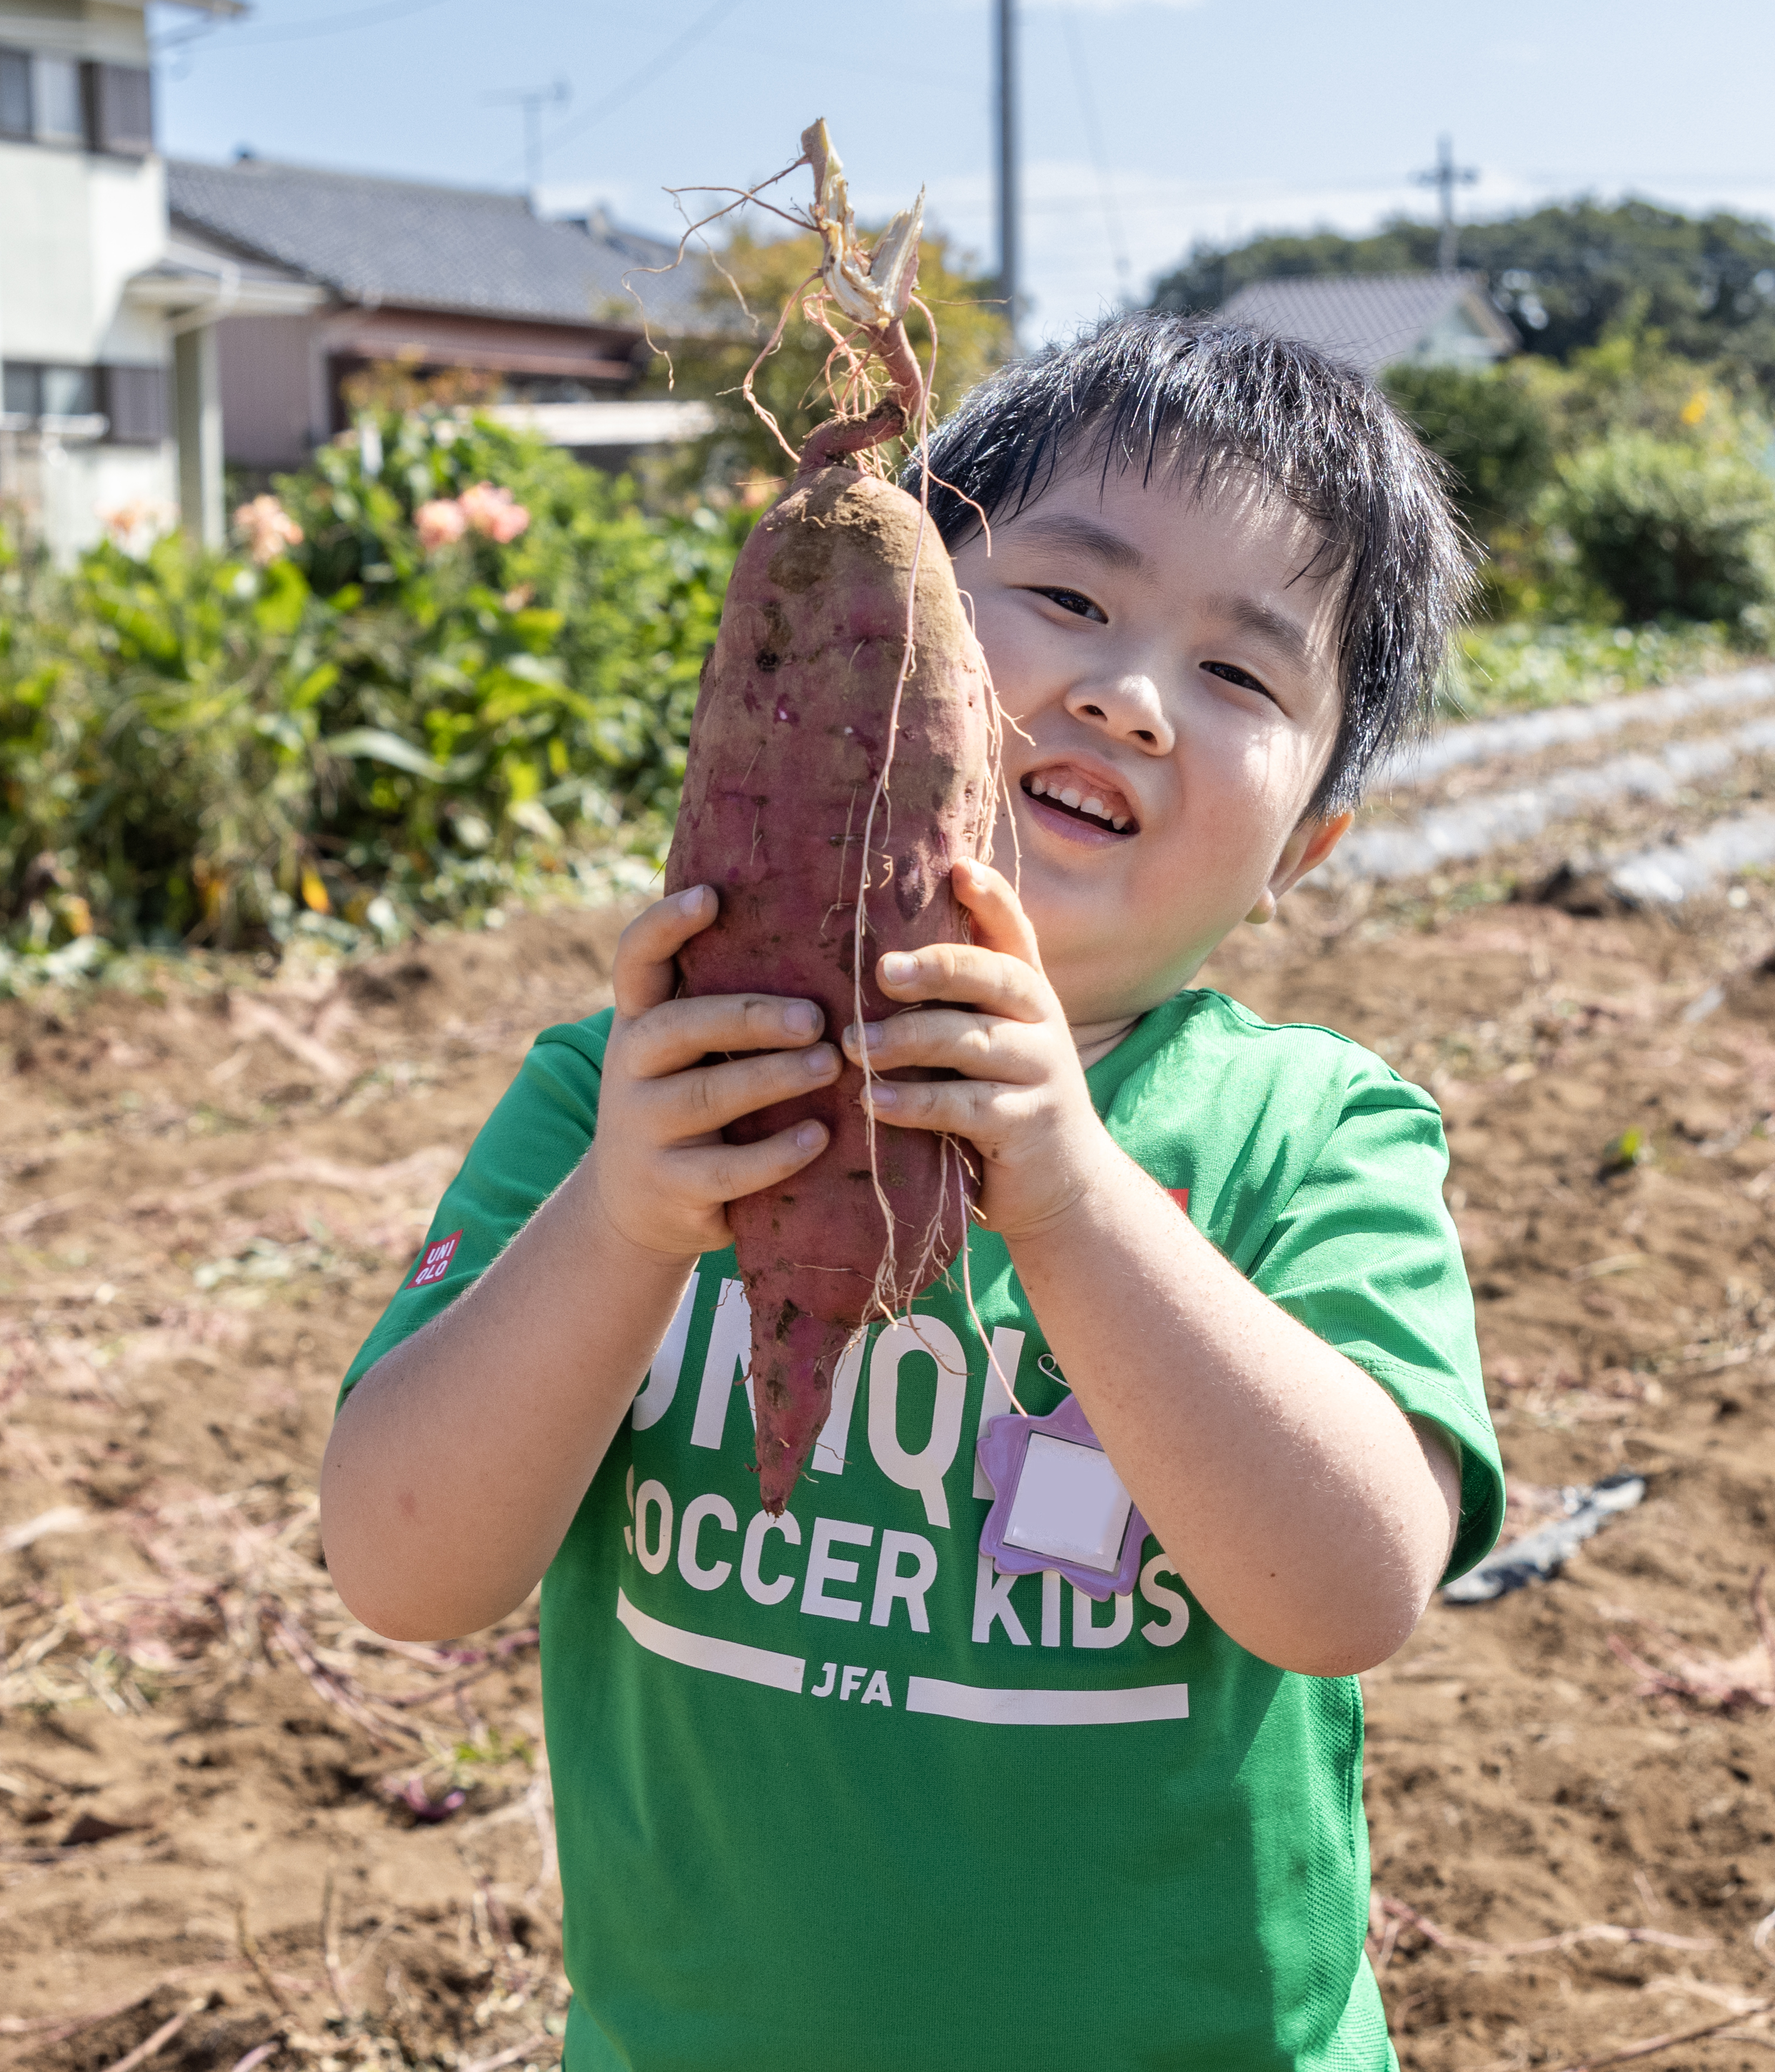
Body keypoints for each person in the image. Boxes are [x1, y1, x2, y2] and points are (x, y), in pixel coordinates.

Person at [319, 311, 1507, 2070]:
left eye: (1242, 676)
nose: (1128, 696)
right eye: (1073, 602)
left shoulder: (1305, 1136)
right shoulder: (622, 1099)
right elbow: (401, 1568)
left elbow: (1349, 1595)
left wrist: (1072, 1196)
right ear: (897, 638)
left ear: (1304, 849)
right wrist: (632, 1217)